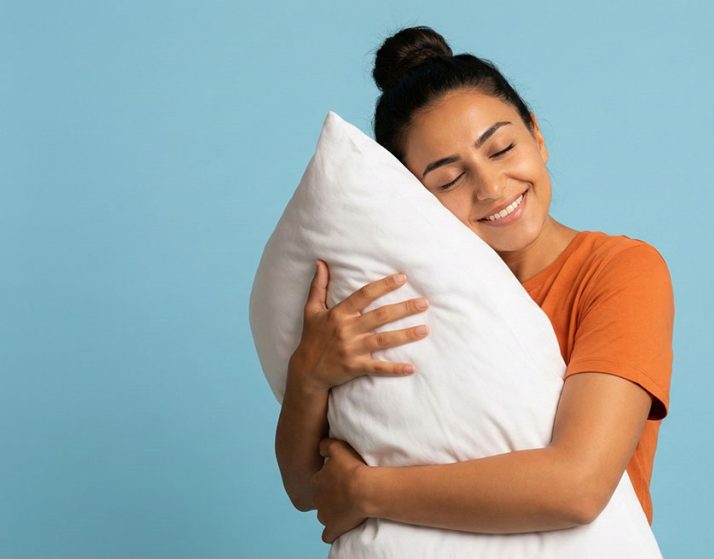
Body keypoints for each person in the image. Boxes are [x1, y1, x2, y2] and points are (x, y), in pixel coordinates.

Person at [275, 25, 675, 544]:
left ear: (537, 134)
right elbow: (309, 490)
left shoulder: (616, 270)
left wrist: (369, 491)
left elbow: (577, 486)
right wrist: (308, 376)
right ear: (413, 199)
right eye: (448, 179)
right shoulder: (403, 303)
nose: (490, 187)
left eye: (502, 148)